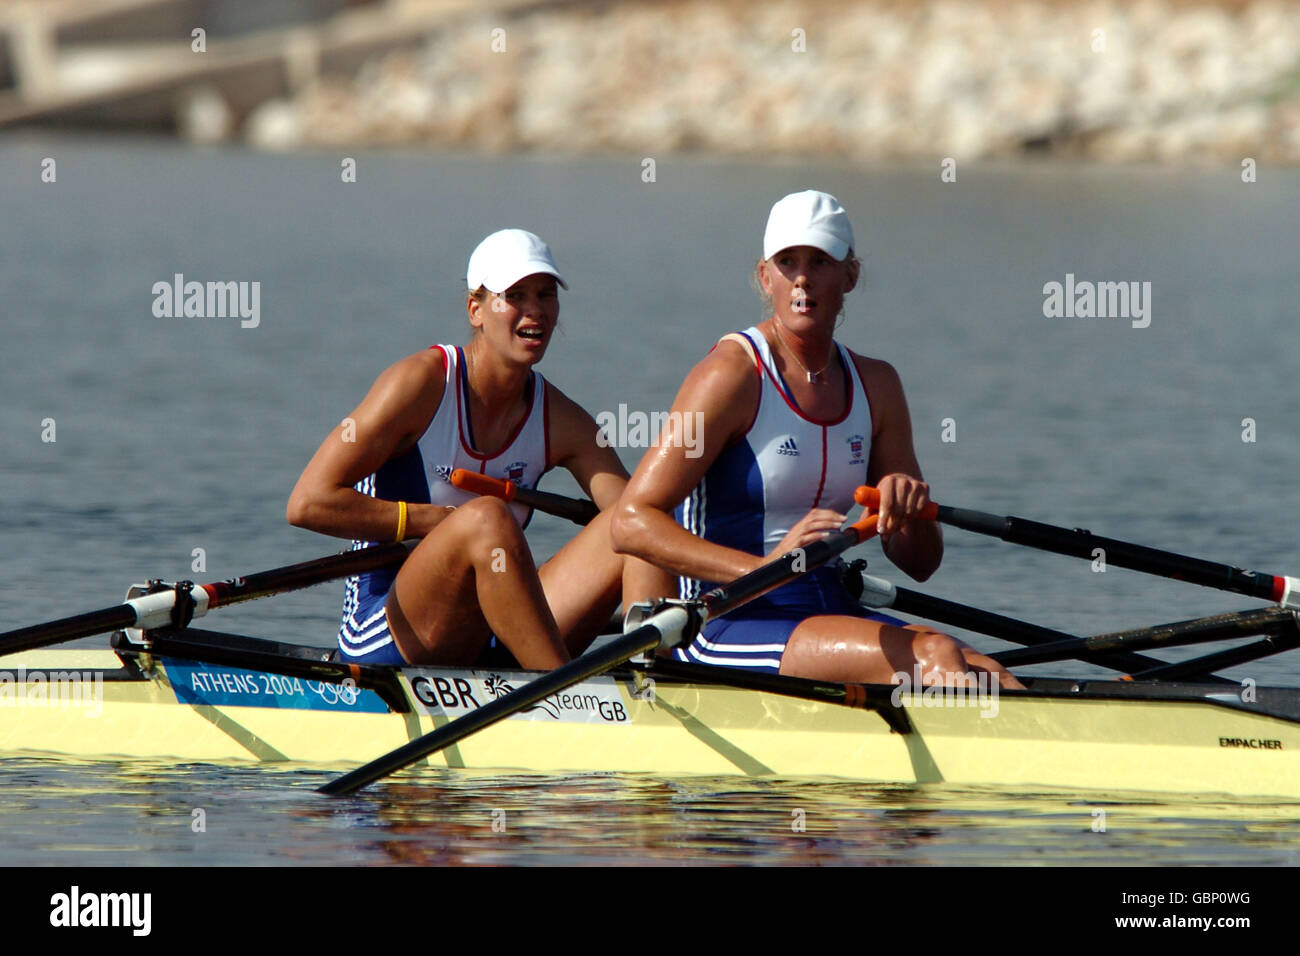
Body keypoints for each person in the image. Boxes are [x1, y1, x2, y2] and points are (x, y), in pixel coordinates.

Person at [611, 190, 1022, 689]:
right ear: (766, 276)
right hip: (727, 620)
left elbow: (921, 565)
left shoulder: (878, 384)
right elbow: (632, 524)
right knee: (936, 657)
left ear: (849, 275)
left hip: (826, 604)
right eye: (788, 262)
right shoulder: (731, 376)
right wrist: (764, 568)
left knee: (994, 676)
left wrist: (908, 513)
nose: (802, 278)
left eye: (819, 261)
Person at [287, 229, 627, 669]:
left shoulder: (563, 420)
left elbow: (640, 522)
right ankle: (564, 701)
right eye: (515, 295)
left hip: (489, 632)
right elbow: (307, 503)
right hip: (389, 631)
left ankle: (655, 678)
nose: (535, 311)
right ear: (476, 310)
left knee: (633, 520)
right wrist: (432, 520)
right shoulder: (419, 385)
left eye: (545, 295)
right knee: (486, 518)